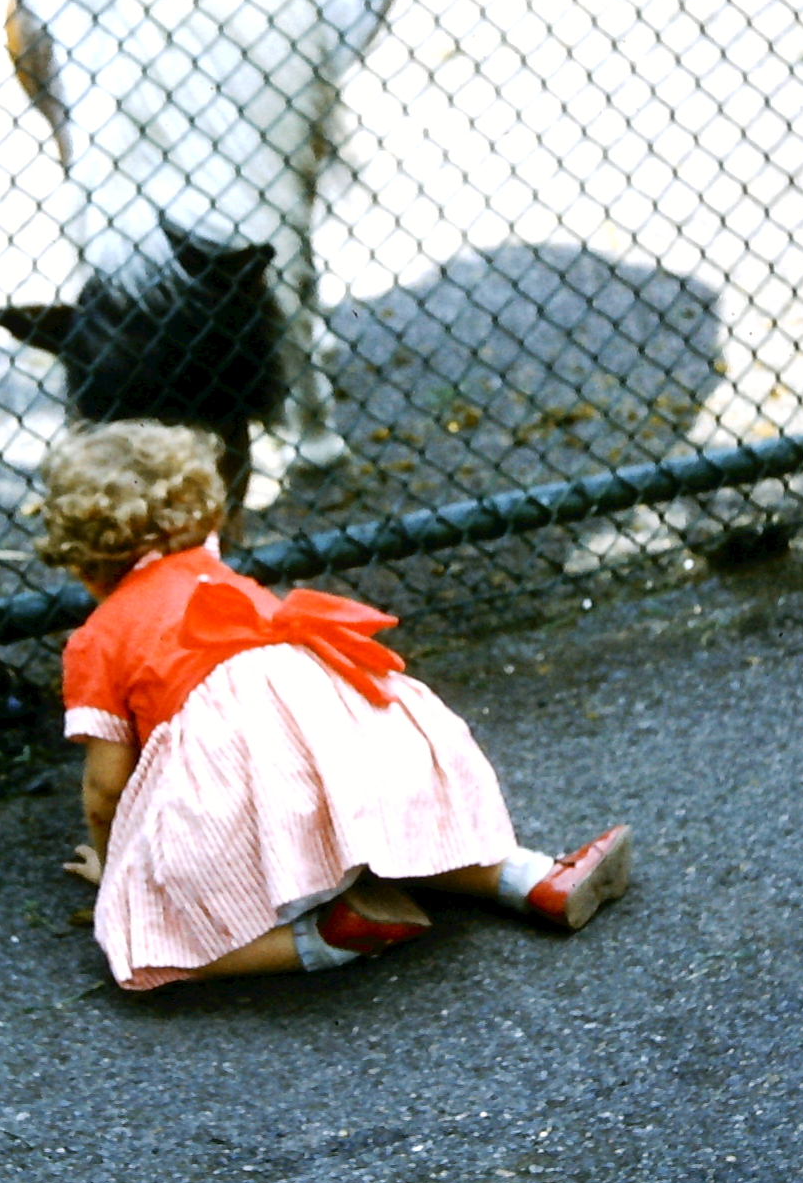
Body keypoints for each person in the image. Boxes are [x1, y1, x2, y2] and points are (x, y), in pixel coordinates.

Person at [38, 419, 630, 990]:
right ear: (204, 517)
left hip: (262, 819)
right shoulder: (224, 582)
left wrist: (117, 870)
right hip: (362, 772)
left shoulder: (98, 638)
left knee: (141, 936)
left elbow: (107, 789)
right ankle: (534, 878)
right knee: (404, 835)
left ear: (79, 560)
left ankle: (324, 937)